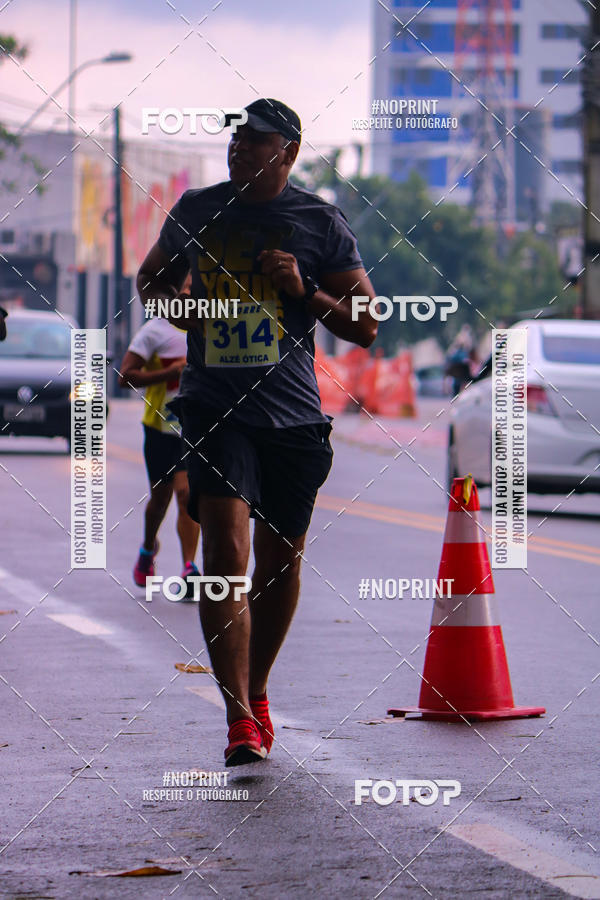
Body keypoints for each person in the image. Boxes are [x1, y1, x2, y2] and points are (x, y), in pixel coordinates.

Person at [137, 98, 377, 766]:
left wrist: (304, 290)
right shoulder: (197, 208)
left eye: (254, 141)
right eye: (235, 139)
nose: (238, 149)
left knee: (280, 564)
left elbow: (364, 324)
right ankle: (240, 718)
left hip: (293, 416)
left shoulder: (318, 221)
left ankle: (258, 689)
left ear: (289, 151)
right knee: (224, 558)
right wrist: (180, 309)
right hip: (214, 407)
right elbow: (151, 276)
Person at [119, 314, 200, 596]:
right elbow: (125, 378)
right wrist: (168, 374)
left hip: (193, 428)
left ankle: (189, 567)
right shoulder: (154, 331)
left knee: (186, 493)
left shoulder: (209, 324)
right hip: (159, 428)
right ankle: (148, 546)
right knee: (160, 498)